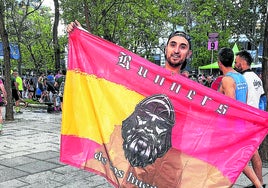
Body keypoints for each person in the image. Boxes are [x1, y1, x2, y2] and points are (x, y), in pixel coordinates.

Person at [67, 20, 192, 75]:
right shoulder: (147, 75)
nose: (176, 50)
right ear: (166, 48)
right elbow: (108, 65)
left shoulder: (193, 91)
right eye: (173, 44)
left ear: (188, 53)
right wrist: (82, 36)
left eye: (182, 47)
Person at [234, 50, 266, 188]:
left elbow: (242, 100)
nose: (235, 64)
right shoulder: (256, 78)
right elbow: (262, 99)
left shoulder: (244, 78)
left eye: (236, 62)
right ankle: (259, 182)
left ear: (243, 62)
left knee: (240, 155)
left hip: (246, 120)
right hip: (255, 119)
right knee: (254, 152)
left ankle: (258, 183)